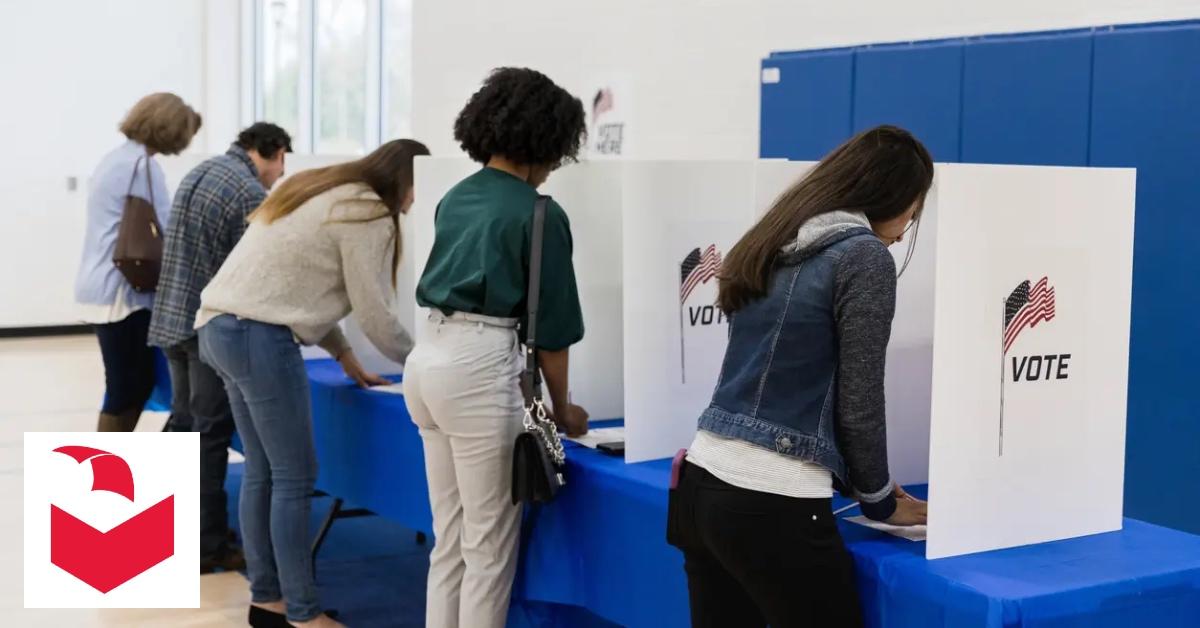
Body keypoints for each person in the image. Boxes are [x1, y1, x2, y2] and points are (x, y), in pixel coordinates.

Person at [668, 125, 934, 628]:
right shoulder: (862, 256)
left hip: (702, 484)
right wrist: (877, 500)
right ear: (889, 195)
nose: (903, 233)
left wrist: (869, 487)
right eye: (912, 213)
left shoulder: (775, 237)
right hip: (772, 500)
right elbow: (859, 400)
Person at [196, 138, 427, 628]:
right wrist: (427, 363)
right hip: (258, 337)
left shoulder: (322, 189)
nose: (413, 204)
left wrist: (342, 353)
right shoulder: (368, 212)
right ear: (406, 181)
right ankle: (303, 614)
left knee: (263, 471)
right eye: (416, 192)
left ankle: (269, 603)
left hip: (219, 327)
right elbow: (376, 315)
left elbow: (294, 281)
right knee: (295, 477)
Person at [404, 67, 591, 628]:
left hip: (427, 360)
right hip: (479, 368)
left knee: (450, 538)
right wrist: (563, 411)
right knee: (489, 549)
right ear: (546, 139)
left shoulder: (456, 197)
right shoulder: (540, 213)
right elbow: (553, 336)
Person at [148, 122, 293, 575]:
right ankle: (207, 546)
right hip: (205, 326)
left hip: (171, 318)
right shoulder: (248, 193)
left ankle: (174, 531)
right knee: (209, 437)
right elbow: (252, 273)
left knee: (187, 426)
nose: (281, 174)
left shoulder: (201, 170)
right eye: (282, 161)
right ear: (265, 152)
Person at [74, 92, 202, 432]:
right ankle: (106, 473)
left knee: (128, 384)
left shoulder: (114, 159)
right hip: (123, 293)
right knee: (128, 387)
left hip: (100, 284)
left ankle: (111, 470)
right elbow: (168, 229)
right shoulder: (142, 167)